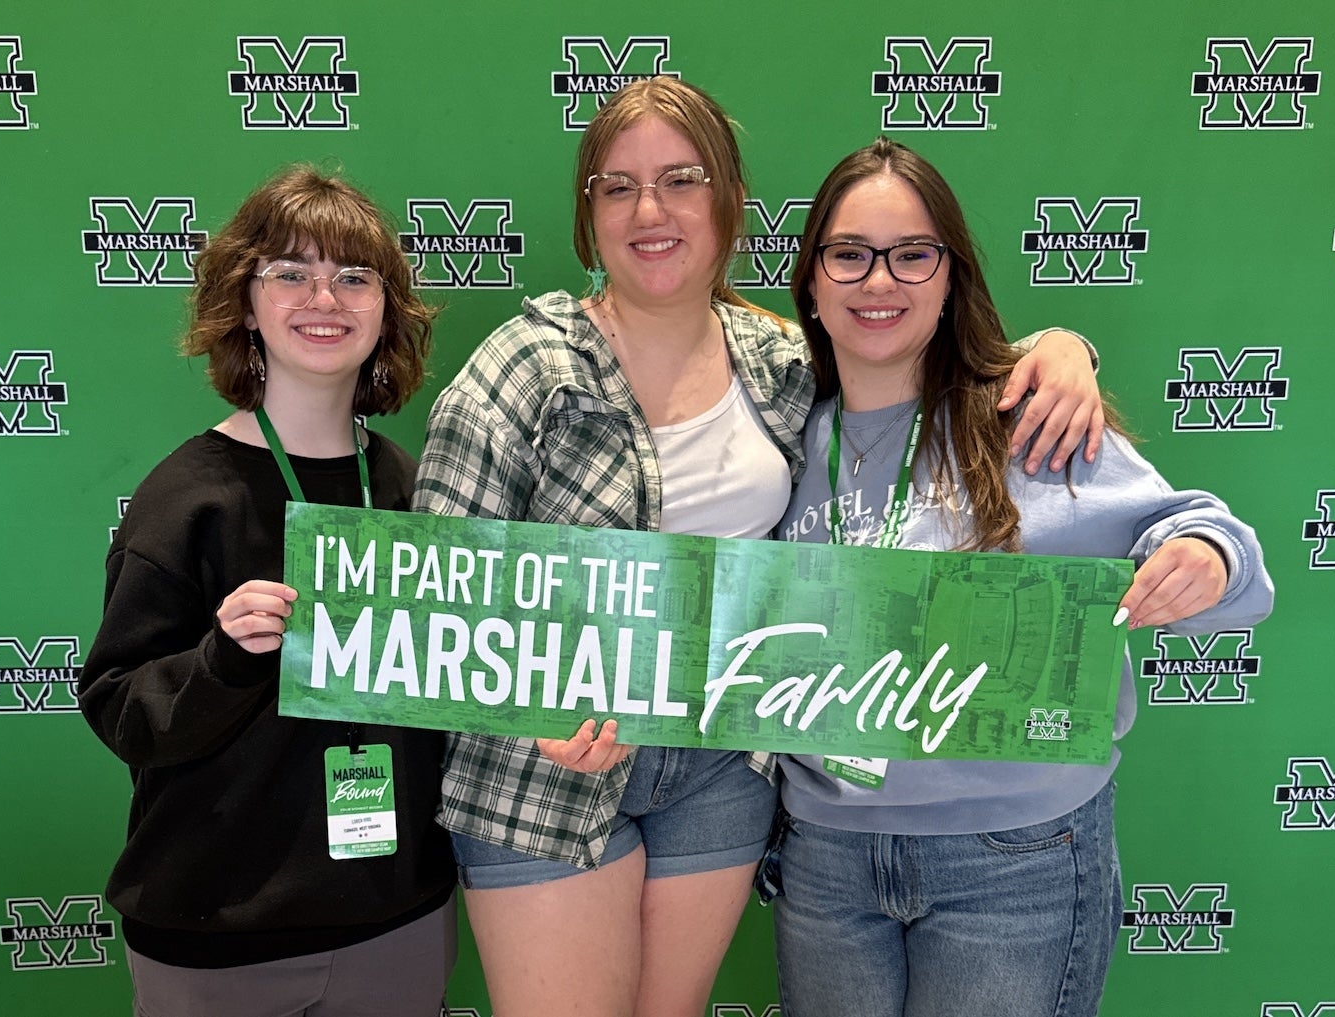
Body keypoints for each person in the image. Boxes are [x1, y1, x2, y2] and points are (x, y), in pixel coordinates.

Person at [411, 78, 1104, 1017]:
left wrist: (1062, 346)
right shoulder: (522, 368)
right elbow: (430, 592)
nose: (649, 209)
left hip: (718, 769)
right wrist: (518, 698)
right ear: (589, 216)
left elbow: (909, 349)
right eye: (616, 187)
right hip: (547, 764)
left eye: (680, 179)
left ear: (728, 202)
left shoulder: (781, 362)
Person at [767, 137, 1275, 1017]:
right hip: (827, 859)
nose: (878, 280)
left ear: (950, 275)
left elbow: (1205, 538)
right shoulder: (779, 436)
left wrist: (1208, 558)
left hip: (1012, 860)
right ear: (811, 280)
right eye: (848, 254)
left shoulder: (1025, 418)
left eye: (912, 254)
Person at [79, 166, 456, 1017]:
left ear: (386, 309)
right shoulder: (188, 496)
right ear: (245, 304)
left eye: (354, 276)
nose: (324, 296)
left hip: (392, 921)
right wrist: (221, 660)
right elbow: (118, 705)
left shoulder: (409, 487)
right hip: (214, 933)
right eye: (290, 271)